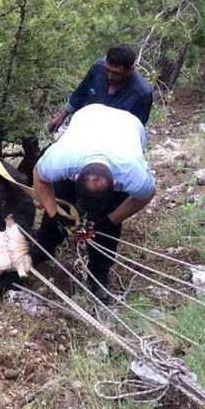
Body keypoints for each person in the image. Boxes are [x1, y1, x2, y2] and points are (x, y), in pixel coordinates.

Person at [33, 103, 156, 302]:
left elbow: (145, 196)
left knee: (108, 226)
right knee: (61, 204)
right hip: (87, 116)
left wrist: (110, 220)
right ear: (75, 177)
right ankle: (44, 247)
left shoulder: (134, 175)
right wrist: (55, 214)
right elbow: (39, 177)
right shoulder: (61, 160)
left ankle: (98, 274)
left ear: (116, 184)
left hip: (129, 125)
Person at [47, 44, 153, 132]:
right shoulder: (98, 68)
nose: (110, 76)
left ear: (131, 70)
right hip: (83, 127)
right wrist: (62, 116)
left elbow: (137, 128)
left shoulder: (142, 93)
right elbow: (80, 94)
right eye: (108, 70)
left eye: (116, 73)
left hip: (112, 136)